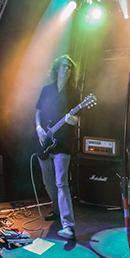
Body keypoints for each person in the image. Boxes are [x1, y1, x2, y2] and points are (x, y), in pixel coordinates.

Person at [35, 55, 79, 240]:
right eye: (63, 66)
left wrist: (72, 119)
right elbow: (38, 112)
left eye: (69, 67)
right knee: (48, 182)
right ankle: (56, 209)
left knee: (61, 183)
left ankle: (69, 227)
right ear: (56, 68)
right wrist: (38, 129)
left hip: (64, 143)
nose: (67, 69)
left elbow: (77, 120)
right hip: (45, 142)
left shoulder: (74, 92)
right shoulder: (46, 90)